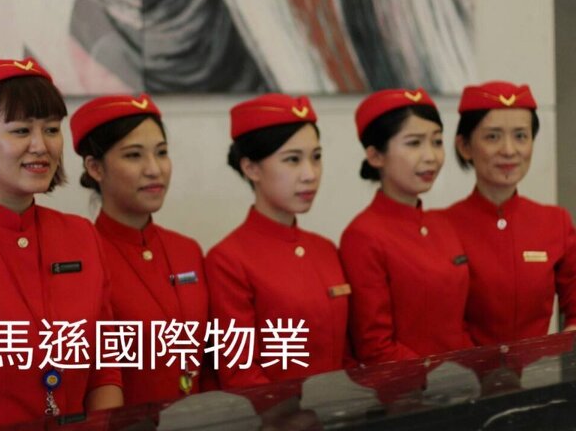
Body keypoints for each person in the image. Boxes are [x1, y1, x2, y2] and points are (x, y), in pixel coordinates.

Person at [0, 58, 123, 429]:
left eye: (51, 130)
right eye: (21, 130)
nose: (41, 146)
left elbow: (106, 369)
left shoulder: (82, 235)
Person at [205, 93, 352, 389]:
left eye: (316, 157)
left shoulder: (325, 249)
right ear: (251, 168)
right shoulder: (228, 260)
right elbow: (240, 373)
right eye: (292, 160)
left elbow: (346, 356)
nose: (310, 174)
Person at [71, 94, 208, 404]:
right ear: (95, 168)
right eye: (134, 155)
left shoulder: (187, 250)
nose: (154, 169)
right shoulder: (82, 259)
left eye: (162, 153)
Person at [340, 88, 473, 366]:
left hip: (459, 381)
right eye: (414, 143)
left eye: (437, 142)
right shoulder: (363, 235)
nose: (431, 156)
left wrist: (473, 368)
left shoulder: (443, 225)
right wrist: (438, 377)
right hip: (407, 388)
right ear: (375, 156)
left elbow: (457, 323)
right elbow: (375, 346)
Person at [442, 81, 576, 346]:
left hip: (540, 370)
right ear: (464, 146)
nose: (509, 150)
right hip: (462, 371)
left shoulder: (554, 222)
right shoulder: (441, 226)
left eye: (521, 136)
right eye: (492, 137)